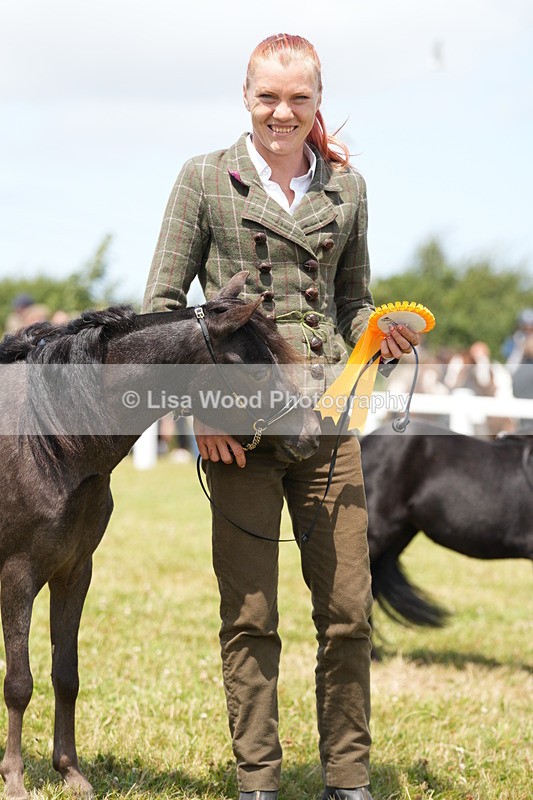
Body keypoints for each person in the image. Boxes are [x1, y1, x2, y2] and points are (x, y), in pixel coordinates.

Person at [143, 33, 419, 800]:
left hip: (330, 430)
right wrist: (200, 414)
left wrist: (382, 337)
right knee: (251, 616)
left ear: (317, 102)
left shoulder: (348, 189)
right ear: (245, 96)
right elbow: (161, 315)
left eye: (298, 98)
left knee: (346, 613)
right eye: (268, 95)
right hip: (240, 435)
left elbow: (354, 299)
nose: (282, 112)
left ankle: (348, 780)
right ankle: (258, 782)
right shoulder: (204, 179)